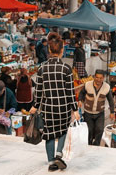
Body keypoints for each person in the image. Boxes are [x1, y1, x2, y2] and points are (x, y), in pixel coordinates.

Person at [29, 33, 80, 172]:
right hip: (63, 108)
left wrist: (35, 107)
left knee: (49, 134)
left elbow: (38, 92)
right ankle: (59, 153)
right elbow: (70, 92)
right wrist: (75, 110)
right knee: (63, 130)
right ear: (62, 51)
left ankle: (51, 162)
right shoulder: (66, 69)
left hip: (48, 108)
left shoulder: (42, 69)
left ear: (49, 51)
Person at [78, 70, 115, 146]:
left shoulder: (107, 87)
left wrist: (112, 112)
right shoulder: (87, 85)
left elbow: (110, 100)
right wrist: (79, 100)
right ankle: (88, 144)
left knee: (100, 130)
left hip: (99, 113)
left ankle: (96, 145)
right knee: (90, 130)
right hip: (88, 112)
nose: (98, 80)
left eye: (100, 78)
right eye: (97, 77)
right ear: (94, 77)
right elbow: (82, 93)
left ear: (103, 78)